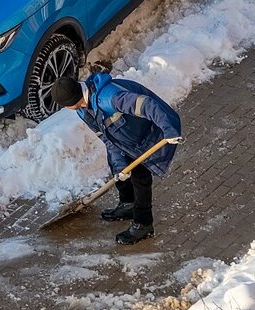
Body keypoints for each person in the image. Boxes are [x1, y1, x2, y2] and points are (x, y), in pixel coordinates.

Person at [50, 72, 182, 245]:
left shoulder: (110, 97)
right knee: (117, 167)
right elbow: (107, 138)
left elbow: (148, 104)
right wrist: (120, 166)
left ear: (70, 104)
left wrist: (170, 129)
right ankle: (128, 204)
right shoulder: (83, 110)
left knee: (140, 177)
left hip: (151, 133)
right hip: (124, 139)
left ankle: (143, 224)